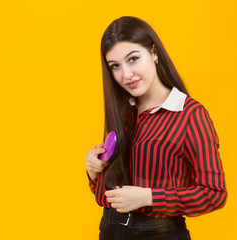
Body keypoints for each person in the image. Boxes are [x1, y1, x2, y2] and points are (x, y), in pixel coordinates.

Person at [85, 16, 227, 240]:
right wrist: (94, 172)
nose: (126, 74)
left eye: (133, 59)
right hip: (110, 229)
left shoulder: (190, 115)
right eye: (115, 66)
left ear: (154, 53)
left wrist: (150, 197)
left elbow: (214, 194)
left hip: (158, 233)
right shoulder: (123, 111)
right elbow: (110, 194)